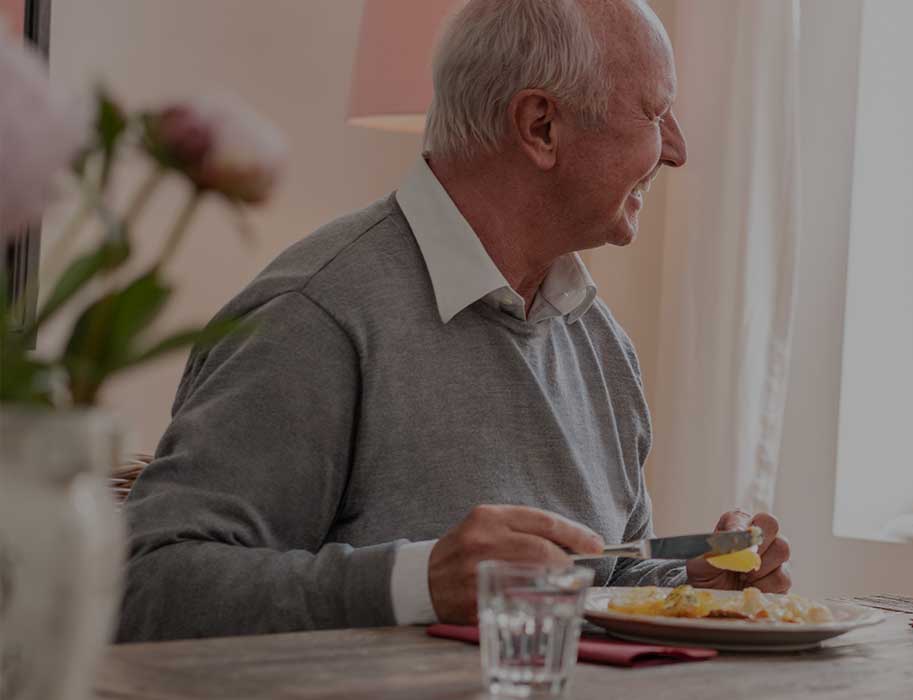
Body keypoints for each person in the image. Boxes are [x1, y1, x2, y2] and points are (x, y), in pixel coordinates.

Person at [118, 0, 792, 641]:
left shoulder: (597, 340)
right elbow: (145, 587)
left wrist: (694, 586)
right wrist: (419, 583)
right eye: (656, 112)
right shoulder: (315, 315)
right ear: (541, 127)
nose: (675, 149)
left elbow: (598, 576)